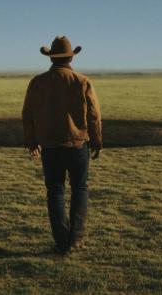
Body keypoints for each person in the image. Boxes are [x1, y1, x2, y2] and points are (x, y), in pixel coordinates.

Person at [22, 36, 102, 255]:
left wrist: (32, 142)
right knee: (80, 189)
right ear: (70, 57)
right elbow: (94, 115)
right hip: (78, 146)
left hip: (51, 147)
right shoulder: (82, 81)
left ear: (51, 58)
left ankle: (61, 243)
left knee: (55, 192)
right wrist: (97, 141)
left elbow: (27, 114)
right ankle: (75, 239)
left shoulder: (38, 82)